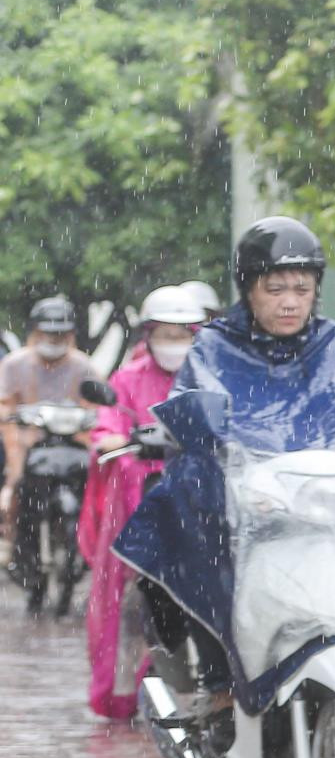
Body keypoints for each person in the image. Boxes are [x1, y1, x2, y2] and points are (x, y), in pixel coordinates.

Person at [117, 216, 335, 717]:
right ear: (249, 288)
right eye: (275, 287)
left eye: (301, 289)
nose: (289, 301)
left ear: (315, 291)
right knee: (183, 506)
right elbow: (197, 414)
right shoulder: (216, 347)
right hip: (251, 504)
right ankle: (219, 680)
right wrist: (194, 442)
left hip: (326, 503)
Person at [78, 286, 205, 718]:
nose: (173, 343)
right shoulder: (127, 379)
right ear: (148, 334)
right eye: (164, 334)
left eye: (181, 333)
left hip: (197, 496)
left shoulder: (208, 377)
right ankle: (121, 689)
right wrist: (116, 438)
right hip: (136, 499)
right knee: (122, 592)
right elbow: (106, 427)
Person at [1, 296, 103, 561]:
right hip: (26, 445)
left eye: (61, 333)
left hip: (72, 445)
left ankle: (88, 546)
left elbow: (98, 408)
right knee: (16, 489)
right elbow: (3, 403)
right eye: (49, 332)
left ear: (71, 333)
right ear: (36, 331)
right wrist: (16, 415)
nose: (54, 339)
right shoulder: (14, 364)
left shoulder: (84, 366)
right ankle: (14, 543)